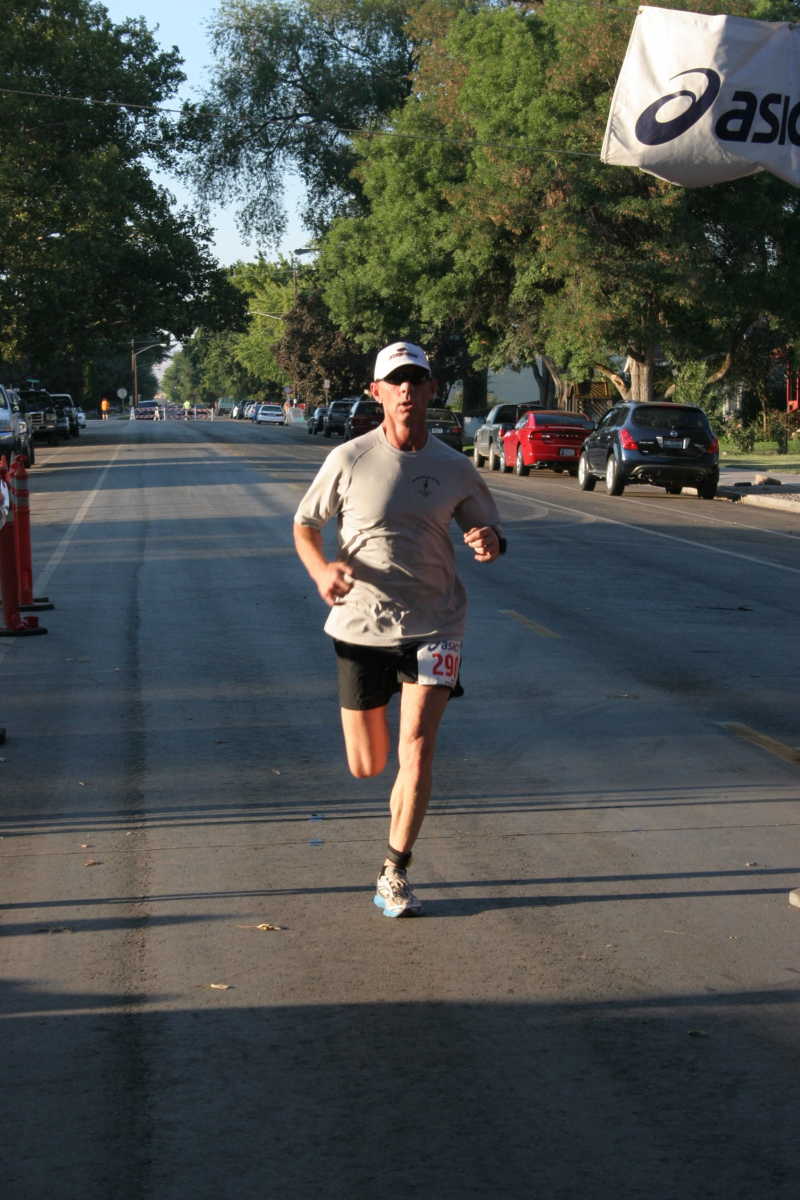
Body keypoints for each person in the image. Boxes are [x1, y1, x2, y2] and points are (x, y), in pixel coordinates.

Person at [293, 341, 506, 917]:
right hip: (360, 625)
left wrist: (488, 541)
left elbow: (488, 529)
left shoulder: (455, 466)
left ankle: (395, 870)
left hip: (437, 624)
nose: (407, 389)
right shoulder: (349, 458)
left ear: (432, 389)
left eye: (416, 379)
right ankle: (384, 787)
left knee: (417, 748)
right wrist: (321, 571)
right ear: (377, 392)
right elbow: (305, 525)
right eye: (396, 381)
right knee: (368, 764)